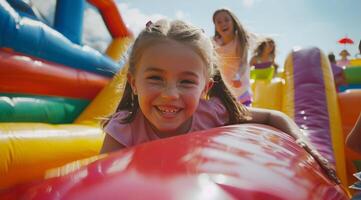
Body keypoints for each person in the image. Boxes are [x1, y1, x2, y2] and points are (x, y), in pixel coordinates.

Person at [99, 19, 339, 184]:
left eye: (186, 82)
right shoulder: (124, 128)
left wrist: (302, 143)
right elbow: (100, 182)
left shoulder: (212, 112)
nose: (170, 94)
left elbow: (271, 116)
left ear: (206, 87)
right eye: (155, 78)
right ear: (133, 82)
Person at [212, 8, 252, 106]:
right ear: (216, 27)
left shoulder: (239, 40)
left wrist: (238, 76)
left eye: (226, 20)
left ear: (233, 22)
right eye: (219, 22)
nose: (223, 24)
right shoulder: (214, 43)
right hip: (225, 91)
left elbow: (243, 62)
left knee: (245, 116)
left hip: (241, 88)